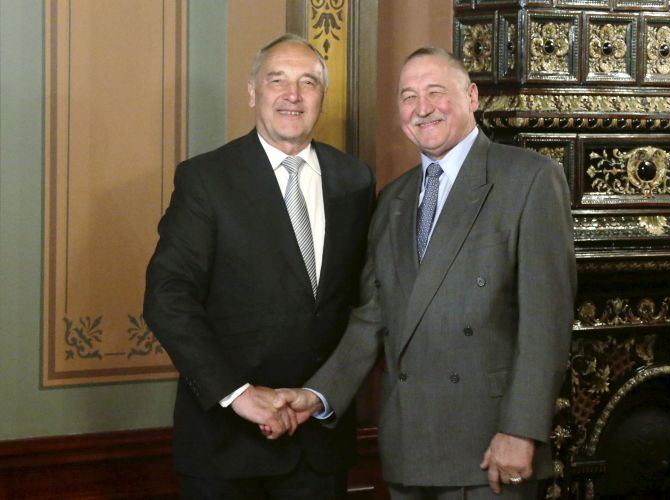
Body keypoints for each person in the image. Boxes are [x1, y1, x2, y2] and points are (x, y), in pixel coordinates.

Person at [277, 47, 577, 499]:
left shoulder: (528, 179)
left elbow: (546, 323)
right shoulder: (392, 200)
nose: (422, 108)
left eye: (436, 92)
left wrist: (521, 429)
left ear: (471, 97)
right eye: (408, 96)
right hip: (408, 447)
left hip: (489, 448)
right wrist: (318, 395)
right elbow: (372, 318)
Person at [143, 33, 374, 499]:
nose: (293, 95)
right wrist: (238, 394)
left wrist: (322, 394)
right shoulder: (206, 179)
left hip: (319, 447)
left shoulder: (355, 179)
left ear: (322, 96)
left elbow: (363, 303)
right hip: (226, 448)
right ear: (252, 92)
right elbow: (167, 298)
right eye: (277, 80)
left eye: (308, 82)